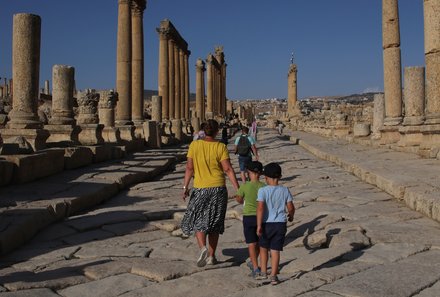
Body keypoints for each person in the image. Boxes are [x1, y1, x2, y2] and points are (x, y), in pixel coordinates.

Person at [181, 119, 240, 267]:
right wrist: (238, 188)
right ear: (216, 131)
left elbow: (189, 168)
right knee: (214, 223)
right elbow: (227, 169)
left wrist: (185, 187)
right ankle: (212, 256)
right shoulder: (221, 147)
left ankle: (203, 248)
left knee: (199, 221)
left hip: (200, 188)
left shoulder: (194, 145)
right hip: (218, 188)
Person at [256, 162, 295, 285]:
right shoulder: (285, 190)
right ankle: (273, 275)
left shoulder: (262, 190)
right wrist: (291, 215)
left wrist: (258, 225)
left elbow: (261, 208)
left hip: (267, 223)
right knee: (275, 250)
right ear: (280, 176)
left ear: (266, 177)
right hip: (280, 224)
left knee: (263, 248)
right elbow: (290, 207)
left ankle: (263, 272)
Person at [235, 161, 266, 279]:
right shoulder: (264, 186)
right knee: (260, 242)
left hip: (248, 217)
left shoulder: (245, 186)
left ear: (249, 172)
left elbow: (238, 199)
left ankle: (255, 267)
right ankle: (258, 264)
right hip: (262, 218)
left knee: (251, 243)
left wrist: (242, 200)